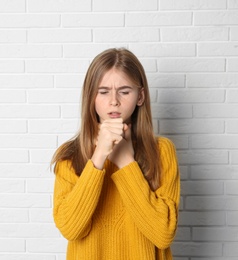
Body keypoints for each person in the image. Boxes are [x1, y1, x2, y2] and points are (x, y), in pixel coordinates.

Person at [51, 48, 180, 260]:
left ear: (140, 96)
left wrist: (125, 162)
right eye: (103, 92)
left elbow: (163, 234)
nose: (114, 101)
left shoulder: (162, 151)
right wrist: (99, 157)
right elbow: (70, 228)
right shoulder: (70, 156)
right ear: (91, 97)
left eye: (124, 91)